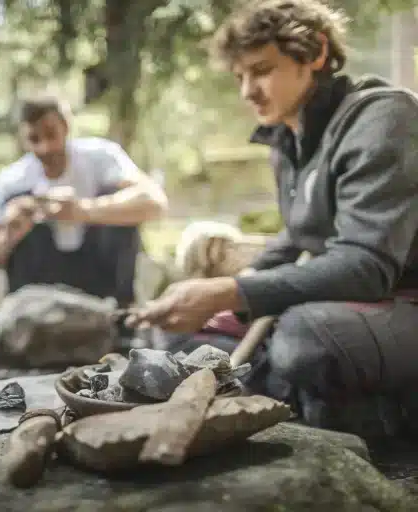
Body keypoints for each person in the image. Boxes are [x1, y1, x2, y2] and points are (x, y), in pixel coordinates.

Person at [127, 0, 418, 432]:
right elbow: (297, 238)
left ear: (316, 53)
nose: (247, 91)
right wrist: (209, 297)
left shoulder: (383, 117)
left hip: (401, 300)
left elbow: (366, 266)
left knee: (305, 338)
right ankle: (305, 401)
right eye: (240, 76)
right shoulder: (288, 140)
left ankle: (375, 414)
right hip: (356, 306)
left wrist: (233, 292)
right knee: (173, 337)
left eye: (261, 70)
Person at [0, 95, 168, 306]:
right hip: (41, 283)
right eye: (34, 139)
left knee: (120, 198)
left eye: (50, 135)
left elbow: (155, 202)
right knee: (17, 202)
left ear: (66, 126)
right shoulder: (11, 181)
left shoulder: (101, 157)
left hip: (100, 274)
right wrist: (11, 234)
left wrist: (83, 211)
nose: (45, 148)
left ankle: (120, 312)